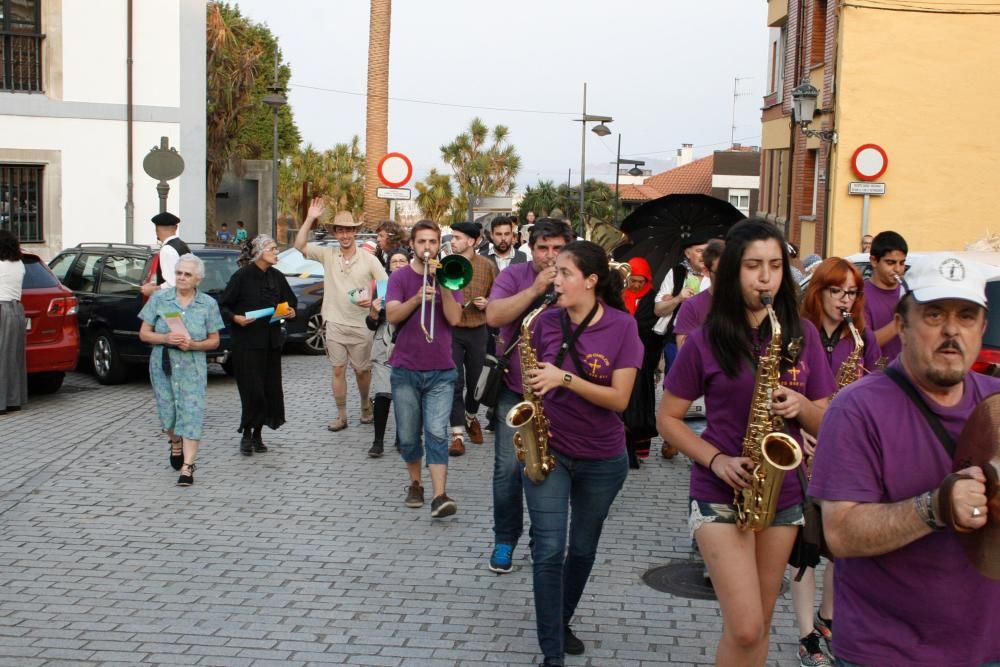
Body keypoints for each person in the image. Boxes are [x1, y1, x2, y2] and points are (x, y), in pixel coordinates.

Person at [657, 219, 835, 667]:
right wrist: (715, 461)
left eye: (775, 266)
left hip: (784, 493)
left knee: (759, 624)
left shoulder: (803, 336)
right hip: (720, 490)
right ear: (734, 271)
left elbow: (827, 416)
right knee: (746, 625)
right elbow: (668, 418)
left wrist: (799, 406)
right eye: (754, 266)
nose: (765, 277)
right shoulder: (705, 339)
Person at [809, 253, 1000, 666]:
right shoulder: (857, 409)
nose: (951, 331)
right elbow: (839, 533)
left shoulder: (997, 404)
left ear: (983, 328)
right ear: (904, 323)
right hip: (888, 653)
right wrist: (935, 507)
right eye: (934, 315)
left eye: (967, 317)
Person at [520, 240, 641, 666]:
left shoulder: (623, 327)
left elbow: (621, 400)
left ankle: (560, 619)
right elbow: (531, 378)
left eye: (565, 273)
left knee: (583, 549)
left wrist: (564, 379)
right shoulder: (542, 321)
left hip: (603, 459)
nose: (557, 280)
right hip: (549, 450)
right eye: (555, 272)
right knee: (549, 549)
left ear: (591, 281)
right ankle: (552, 652)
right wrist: (534, 386)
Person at [792, 257, 882, 666]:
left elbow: (875, 392)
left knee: (839, 545)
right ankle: (806, 633)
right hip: (802, 448)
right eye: (837, 291)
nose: (846, 300)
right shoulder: (798, 332)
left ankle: (828, 619)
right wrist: (806, 430)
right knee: (805, 547)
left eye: (852, 292)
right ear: (819, 291)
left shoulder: (863, 338)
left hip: (845, 450)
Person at [485, 219, 574, 574]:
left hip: (562, 395)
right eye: (543, 248)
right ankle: (505, 539)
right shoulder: (515, 276)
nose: (550, 256)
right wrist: (537, 288)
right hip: (515, 392)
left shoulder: (576, 277)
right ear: (531, 246)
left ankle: (545, 540)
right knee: (507, 470)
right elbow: (494, 315)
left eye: (557, 249)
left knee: (550, 472)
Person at [386, 220, 464, 518]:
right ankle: (415, 483)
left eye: (433, 242)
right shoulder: (401, 277)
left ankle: (439, 495)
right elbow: (392, 315)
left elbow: (455, 319)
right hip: (405, 369)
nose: (427, 248)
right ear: (413, 245)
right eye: (422, 242)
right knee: (408, 435)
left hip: (441, 371)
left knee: (436, 432)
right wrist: (418, 298)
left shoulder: (450, 276)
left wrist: (442, 285)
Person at [294, 199, 388, 431]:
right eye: (341, 230)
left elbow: (387, 287)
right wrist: (309, 218)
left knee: (362, 371)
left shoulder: (369, 259)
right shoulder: (328, 254)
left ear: (355, 232)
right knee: (337, 369)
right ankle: (342, 415)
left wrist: (375, 301)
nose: (345, 235)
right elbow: (299, 245)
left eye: (349, 230)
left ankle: (366, 405)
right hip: (334, 321)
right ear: (336, 232)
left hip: (361, 324)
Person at [138, 254, 224, 486]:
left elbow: (214, 340)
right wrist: (166, 336)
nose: (182, 278)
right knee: (168, 415)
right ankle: (175, 442)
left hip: (192, 364)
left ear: (198, 279)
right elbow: (144, 333)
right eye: (179, 273)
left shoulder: (208, 304)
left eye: (187, 274)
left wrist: (194, 344)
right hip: (163, 362)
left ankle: (188, 467)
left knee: (192, 413)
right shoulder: (160, 299)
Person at [219, 235, 297, 456]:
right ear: (260, 252)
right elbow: (224, 305)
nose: (276, 252)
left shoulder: (277, 277)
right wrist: (236, 319)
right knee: (251, 390)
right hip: (246, 343)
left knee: (268, 390)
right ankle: (246, 434)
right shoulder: (242, 276)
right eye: (272, 248)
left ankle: (258, 434)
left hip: (271, 343)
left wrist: (291, 311)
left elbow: (290, 302)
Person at [652, 234, 712, 458]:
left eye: (707, 251)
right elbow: (658, 309)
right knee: (676, 385)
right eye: (698, 250)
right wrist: (678, 299)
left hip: (710, 341)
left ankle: (704, 436)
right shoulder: (676, 273)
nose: (703, 256)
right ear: (687, 253)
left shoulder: (718, 277)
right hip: (677, 338)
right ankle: (672, 436)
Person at [446, 222, 497, 456]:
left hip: (478, 331)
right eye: (453, 237)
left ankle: (470, 416)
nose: (453, 241)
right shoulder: (446, 264)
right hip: (453, 331)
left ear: (472, 241)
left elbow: (498, 296)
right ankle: (457, 436)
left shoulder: (487, 265)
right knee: (455, 382)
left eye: (457, 237)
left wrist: (488, 303)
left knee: (477, 383)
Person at [365, 247, 411, 458]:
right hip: (384, 345)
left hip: (409, 345)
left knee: (404, 395)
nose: (399, 265)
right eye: (395, 262)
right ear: (388, 266)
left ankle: (402, 437)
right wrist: (374, 313)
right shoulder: (381, 287)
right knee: (383, 393)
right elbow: (371, 325)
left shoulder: (416, 286)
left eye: (402, 261)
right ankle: (378, 441)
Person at [621, 256, 659, 467]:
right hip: (621, 359)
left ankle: (637, 449)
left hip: (643, 361)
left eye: (640, 281)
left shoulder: (653, 298)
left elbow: (656, 328)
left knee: (640, 405)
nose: (636, 285)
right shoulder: (617, 296)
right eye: (633, 280)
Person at [673, 238, 726, 351]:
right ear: (706, 271)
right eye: (721, 272)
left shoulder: (746, 301)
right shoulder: (691, 306)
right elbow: (685, 354)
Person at [864, 230, 907, 365]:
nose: (898, 269)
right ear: (874, 261)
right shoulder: (860, 295)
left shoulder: (908, 292)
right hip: (875, 377)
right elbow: (865, 344)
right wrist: (900, 321)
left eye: (902, 263)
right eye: (890, 263)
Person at [0, 230, 27, 414]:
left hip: (1, 308)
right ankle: (13, 400)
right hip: (17, 311)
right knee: (14, 357)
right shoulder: (20, 264)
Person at [140, 212, 190, 297]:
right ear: (176, 228)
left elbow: (173, 284)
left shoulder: (167, 250)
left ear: (156, 229)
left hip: (172, 305)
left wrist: (152, 290)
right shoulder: (183, 245)